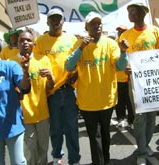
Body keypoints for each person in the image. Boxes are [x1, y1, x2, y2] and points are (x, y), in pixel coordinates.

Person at [65, 11, 129, 165]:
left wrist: (123, 51)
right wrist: (81, 48)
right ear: (86, 27)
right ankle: (98, 162)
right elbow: (68, 66)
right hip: (87, 102)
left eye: (99, 23)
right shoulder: (78, 44)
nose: (97, 26)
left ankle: (105, 160)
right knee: (95, 136)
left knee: (105, 134)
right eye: (93, 23)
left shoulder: (110, 43)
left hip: (107, 100)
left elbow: (120, 66)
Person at [33, 8, 80, 165]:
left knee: (72, 128)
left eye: (59, 18)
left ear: (63, 21)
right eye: (52, 18)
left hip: (69, 90)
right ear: (47, 22)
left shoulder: (72, 39)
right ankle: (57, 156)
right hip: (50, 93)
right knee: (55, 129)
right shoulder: (40, 42)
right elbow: (36, 64)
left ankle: (74, 159)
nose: (56, 21)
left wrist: (76, 74)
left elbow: (78, 61)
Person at [119, 3, 159, 165]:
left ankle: (144, 145)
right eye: (129, 12)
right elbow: (120, 58)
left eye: (133, 12)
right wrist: (126, 67)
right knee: (140, 116)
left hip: (153, 81)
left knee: (152, 116)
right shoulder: (125, 35)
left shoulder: (155, 31)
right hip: (135, 82)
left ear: (143, 13)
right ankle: (142, 152)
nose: (130, 15)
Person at [0, 34, 31, 164]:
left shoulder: (10, 67)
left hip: (13, 126)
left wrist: (26, 72)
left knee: (18, 162)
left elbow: (24, 88)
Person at [18, 31, 54, 165]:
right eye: (22, 40)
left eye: (28, 40)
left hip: (42, 114)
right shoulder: (11, 63)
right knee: (30, 152)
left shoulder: (43, 60)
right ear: (17, 43)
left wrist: (50, 77)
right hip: (23, 116)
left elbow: (49, 87)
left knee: (43, 149)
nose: (25, 43)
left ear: (34, 43)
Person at [114, 25, 134, 128]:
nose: (120, 33)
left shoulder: (130, 43)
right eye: (119, 31)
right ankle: (121, 119)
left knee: (130, 101)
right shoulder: (114, 43)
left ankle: (131, 120)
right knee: (119, 101)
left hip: (129, 78)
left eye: (123, 31)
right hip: (117, 78)